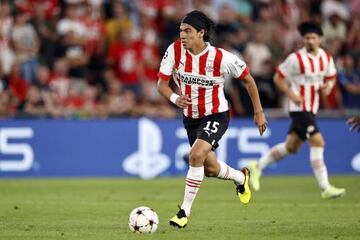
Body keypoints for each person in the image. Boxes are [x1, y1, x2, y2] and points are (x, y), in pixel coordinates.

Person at [157, 10, 267, 228]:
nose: (182, 35)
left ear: (201, 33)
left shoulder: (221, 57)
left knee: (195, 155)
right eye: (181, 31)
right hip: (191, 117)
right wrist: (175, 98)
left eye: (187, 31)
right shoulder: (174, 50)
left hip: (216, 114)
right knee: (210, 169)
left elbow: (249, 80)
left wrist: (258, 112)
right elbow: (161, 84)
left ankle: (183, 213)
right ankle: (240, 177)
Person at [248, 21, 346, 199]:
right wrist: (290, 94)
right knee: (318, 141)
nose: (309, 41)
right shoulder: (295, 58)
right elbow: (278, 78)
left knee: (291, 147)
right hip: (298, 108)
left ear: (319, 39)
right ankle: (325, 188)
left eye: (313, 38)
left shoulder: (325, 57)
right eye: (307, 38)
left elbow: (331, 77)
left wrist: (328, 87)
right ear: (303, 39)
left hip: (312, 108)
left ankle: (257, 166)